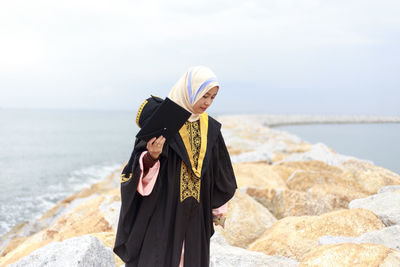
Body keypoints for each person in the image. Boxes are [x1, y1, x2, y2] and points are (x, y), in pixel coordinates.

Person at [113, 66, 237, 267]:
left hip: (197, 210)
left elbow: (217, 169)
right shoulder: (165, 121)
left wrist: (218, 207)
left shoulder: (211, 128)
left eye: (212, 97)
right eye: (204, 95)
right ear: (190, 91)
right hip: (164, 208)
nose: (207, 102)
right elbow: (136, 167)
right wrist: (152, 156)